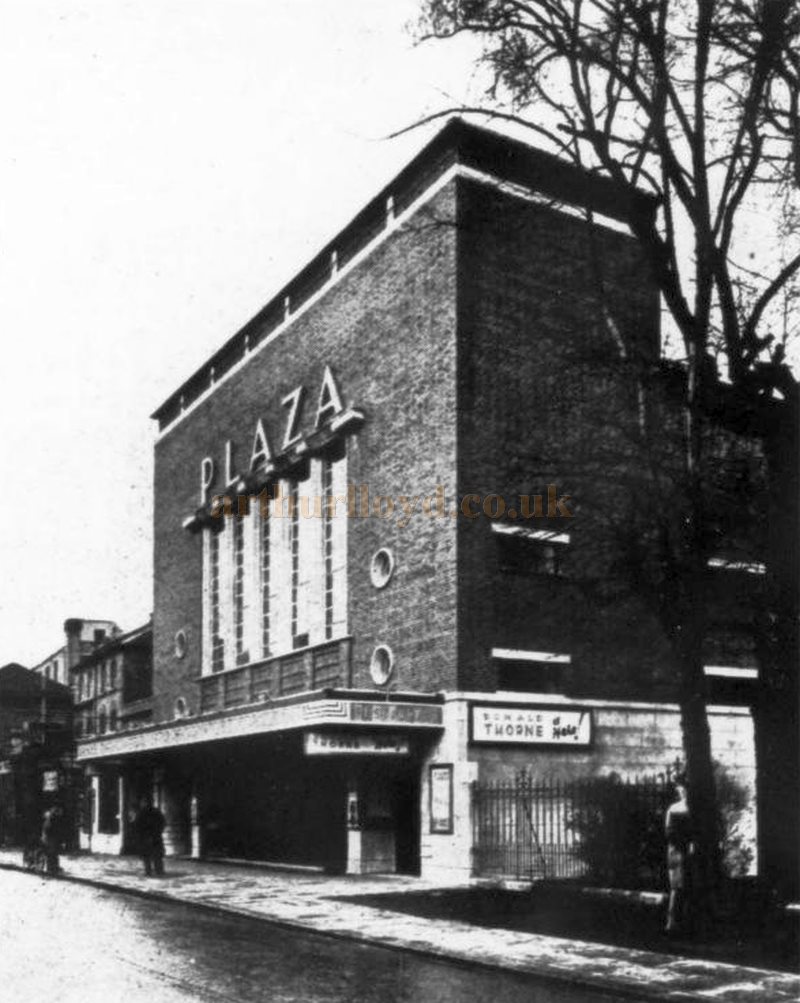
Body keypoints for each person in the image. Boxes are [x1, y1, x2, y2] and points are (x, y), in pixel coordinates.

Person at [664, 782, 693, 934]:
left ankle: (682, 923)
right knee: (678, 887)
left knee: (683, 887)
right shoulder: (675, 809)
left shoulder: (677, 809)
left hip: (682, 851)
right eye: (682, 789)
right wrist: (687, 843)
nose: (683, 792)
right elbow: (669, 832)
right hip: (678, 852)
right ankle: (672, 922)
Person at [133, 797, 166, 877]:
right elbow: (163, 823)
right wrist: (158, 832)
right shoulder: (156, 812)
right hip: (155, 837)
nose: (142, 804)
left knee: (147, 856)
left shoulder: (141, 813)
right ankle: (159, 871)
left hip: (146, 837)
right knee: (156, 856)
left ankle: (149, 871)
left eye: (143, 802)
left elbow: (137, 826)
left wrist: (140, 835)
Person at [41, 806, 63, 877]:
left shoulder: (51, 820)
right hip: (50, 839)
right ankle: (51, 868)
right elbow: (49, 829)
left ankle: (53, 868)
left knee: (52, 854)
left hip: (50, 838)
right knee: (51, 854)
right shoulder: (51, 820)